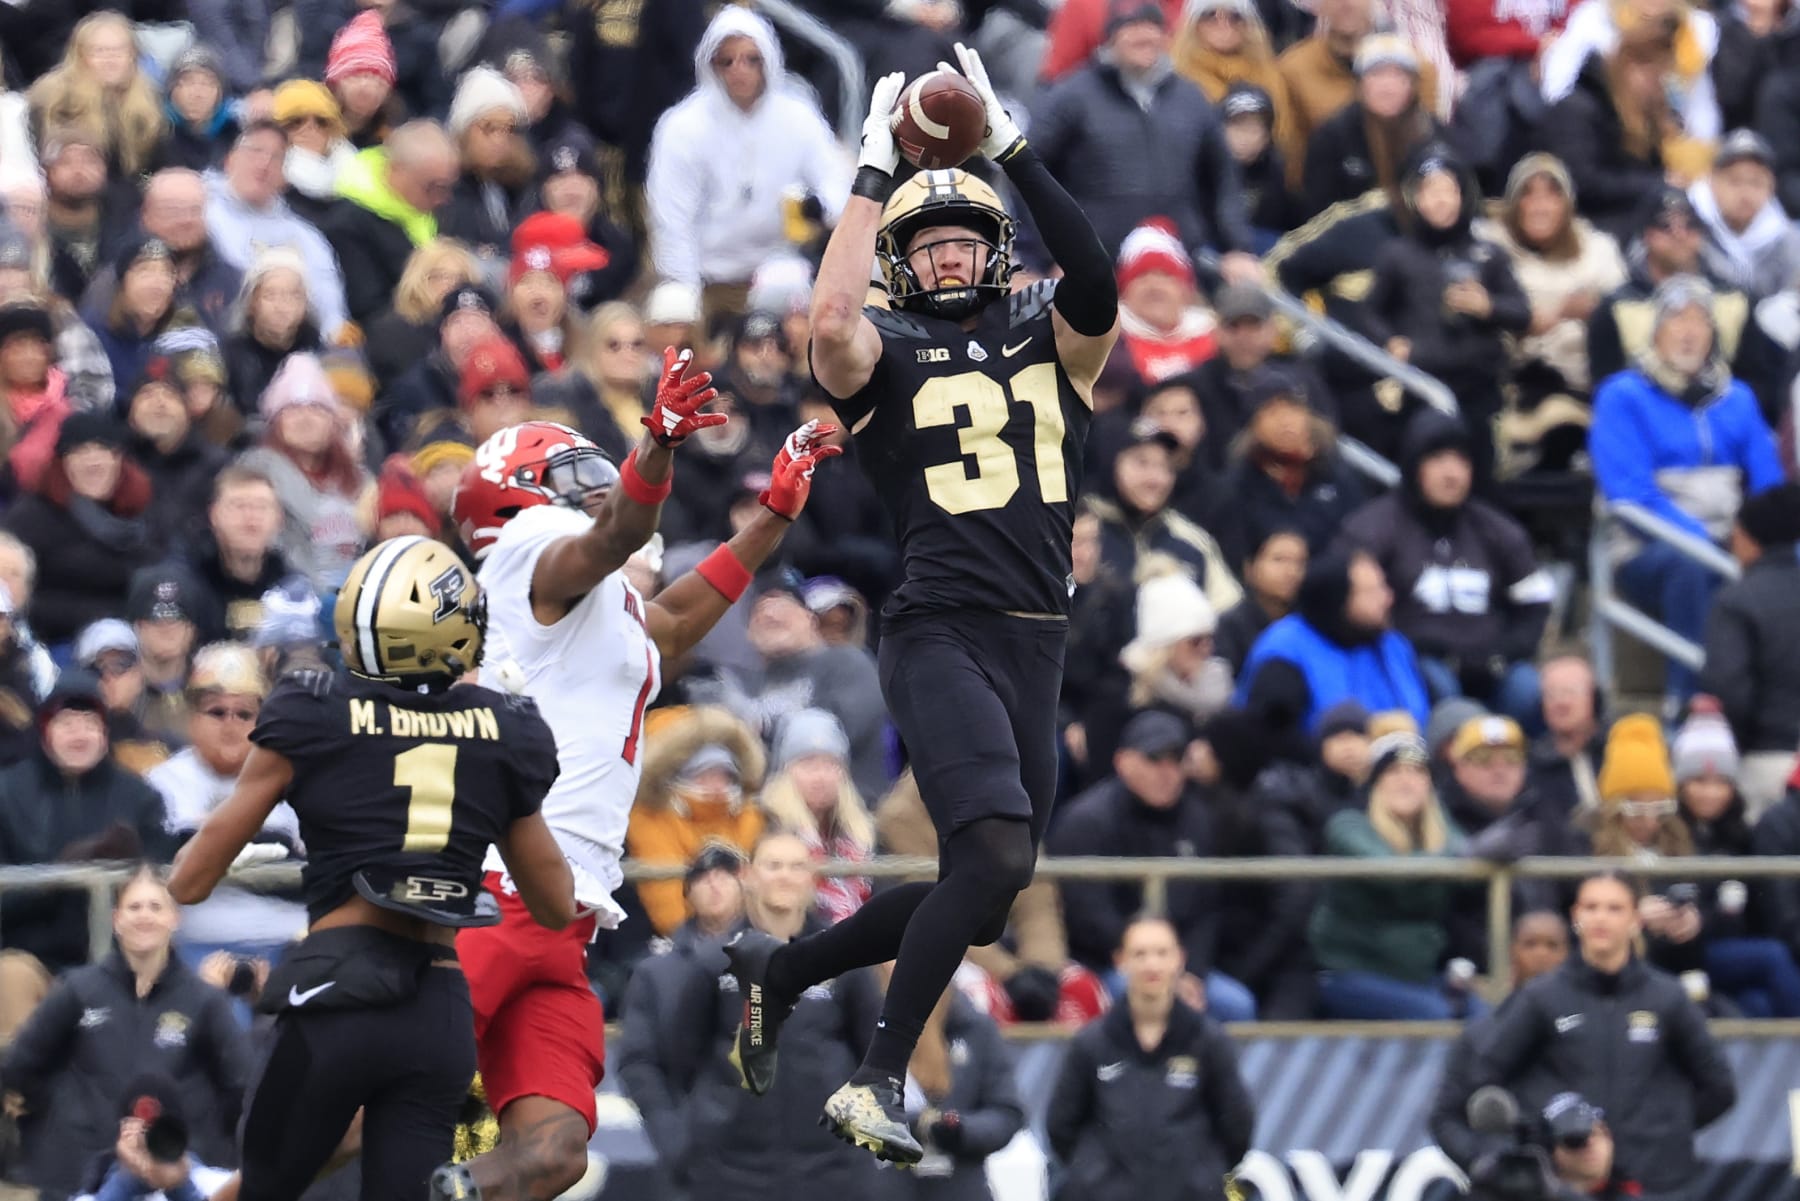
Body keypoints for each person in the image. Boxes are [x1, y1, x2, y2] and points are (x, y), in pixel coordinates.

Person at [723, 47, 1122, 1164]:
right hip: (940, 623)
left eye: (964, 237)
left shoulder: (1056, 339)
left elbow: (1097, 282)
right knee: (990, 854)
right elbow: (831, 318)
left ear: (997, 248)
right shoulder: (886, 348)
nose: (948, 255)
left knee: (986, 890)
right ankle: (877, 1076)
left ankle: (786, 966)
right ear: (905, 259)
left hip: (1037, 637)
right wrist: (870, 170)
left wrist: (1010, 148)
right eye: (928, 242)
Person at [444, 394, 839, 1199]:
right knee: (376, 1099)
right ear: (516, 497)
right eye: (572, 473)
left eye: (601, 471)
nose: (595, 486)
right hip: (494, 890)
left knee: (553, 1154)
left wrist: (770, 516)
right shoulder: (528, 553)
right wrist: (655, 446)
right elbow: (620, 530)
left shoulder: (594, 611)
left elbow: (680, 615)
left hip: (560, 911)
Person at [167, 536, 578, 1201]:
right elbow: (557, 902)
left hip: (336, 997)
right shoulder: (507, 728)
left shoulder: (315, 710)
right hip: (439, 1009)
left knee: (261, 1188)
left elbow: (188, 881)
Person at [616, 832, 889, 1201]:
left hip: (832, 1171)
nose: (785, 877)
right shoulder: (714, 962)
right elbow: (682, 1059)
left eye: (797, 867)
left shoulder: (844, 960)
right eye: (773, 865)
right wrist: (683, 1139)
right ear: (749, 875)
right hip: (730, 1173)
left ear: (813, 877)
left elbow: (875, 1054)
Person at [1471, 871, 1737, 1197]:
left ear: (1636, 918)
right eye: (1591, 907)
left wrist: (1665, 1131)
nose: (1601, 918)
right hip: (1571, 1185)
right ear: (1575, 916)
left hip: (1657, 1183)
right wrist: (1550, 1129)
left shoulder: (1667, 997)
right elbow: (1487, 1077)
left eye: (1614, 908)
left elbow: (1720, 1087)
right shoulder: (1543, 997)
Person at [1590, 274, 1783, 707]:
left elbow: (1768, 482)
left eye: (1700, 320)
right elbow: (1630, 494)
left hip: (1733, 540)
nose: (1689, 331)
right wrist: (1707, 545)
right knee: (1689, 568)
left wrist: (1761, 538)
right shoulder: (1622, 396)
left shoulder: (1738, 398)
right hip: (1647, 546)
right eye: (1677, 319)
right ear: (1656, 330)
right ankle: (1690, 704)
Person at [0, 866, 251, 1199]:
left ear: (174, 918)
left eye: (155, 907)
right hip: (82, 1181)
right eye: (134, 907)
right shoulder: (77, 990)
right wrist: (58, 1121)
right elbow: (19, 1066)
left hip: (180, 1175)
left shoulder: (205, 1000)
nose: (144, 916)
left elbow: (243, 1086)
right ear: (116, 919)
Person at [1336, 409, 1554, 725]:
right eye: (1437, 460)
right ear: (1414, 466)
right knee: (1443, 691)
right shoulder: (1373, 528)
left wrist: (1502, 654)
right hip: (1415, 664)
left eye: (1461, 461)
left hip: (1491, 663)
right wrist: (1411, 644)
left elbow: (1535, 603)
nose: (1451, 473)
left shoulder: (1496, 529)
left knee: (1529, 688)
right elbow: (1345, 602)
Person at [1049, 709, 1259, 1022]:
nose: (1167, 772)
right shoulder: (1087, 822)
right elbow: (1089, 918)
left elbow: (1206, 910)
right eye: (1154, 759)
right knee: (1128, 994)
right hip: (1107, 963)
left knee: (1237, 1005)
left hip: (1178, 965)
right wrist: (1156, 968)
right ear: (1123, 761)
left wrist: (1191, 972)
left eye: (1176, 760)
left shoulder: (1198, 819)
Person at [644, 6, 850, 314]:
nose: (740, 69)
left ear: (768, 60)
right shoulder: (682, 127)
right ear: (711, 64)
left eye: (751, 59)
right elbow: (672, 220)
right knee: (676, 311)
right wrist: (686, 291)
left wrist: (819, 205)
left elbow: (837, 182)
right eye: (727, 61)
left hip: (780, 270)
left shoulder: (797, 116)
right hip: (709, 279)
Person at [1031, 3, 1259, 270]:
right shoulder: (1072, 95)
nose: (1144, 36)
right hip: (1093, 267)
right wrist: (1052, 254)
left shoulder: (1191, 98)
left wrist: (1237, 247)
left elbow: (1223, 176)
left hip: (1179, 264)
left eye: (1152, 27)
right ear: (1111, 36)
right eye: (1132, 27)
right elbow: (1029, 170)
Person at [1046, 915, 1256, 1201]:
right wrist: (1094, 1178)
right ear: (1120, 961)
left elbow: (1236, 1126)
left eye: (1161, 953)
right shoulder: (1091, 1043)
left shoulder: (1208, 1041)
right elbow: (1061, 1126)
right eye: (1140, 954)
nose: (1151, 964)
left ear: (1179, 959)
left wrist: (1200, 1178)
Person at [149, 644, 303, 969]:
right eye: (217, 712)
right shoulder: (159, 785)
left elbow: (311, 868)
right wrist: (267, 843)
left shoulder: (296, 779)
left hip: (288, 942)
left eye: (245, 714)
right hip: (192, 949)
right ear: (192, 718)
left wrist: (206, 844)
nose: (231, 724)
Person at [1473, 153, 1627, 475]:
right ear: (1513, 203)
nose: (1540, 206)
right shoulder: (1488, 247)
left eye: (1551, 194)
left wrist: (1593, 315)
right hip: (1511, 379)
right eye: (1529, 194)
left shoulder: (1598, 250)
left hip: (1583, 381)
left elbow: (1621, 315)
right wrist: (1542, 319)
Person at [1309, 731, 1472, 1019]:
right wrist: (1466, 855)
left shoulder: (1440, 833)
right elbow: (1390, 870)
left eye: (1417, 771)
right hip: (1350, 974)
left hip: (1417, 975)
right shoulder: (1348, 826)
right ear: (1375, 783)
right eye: (1394, 771)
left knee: (1487, 1017)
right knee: (1435, 1016)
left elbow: (1467, 858)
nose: (1406, 780)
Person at [1234, 549, 1431, 763]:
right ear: (1339, 599)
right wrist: (1325, 753)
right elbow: (1269, 733)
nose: (1388, 598)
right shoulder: (1287, 648)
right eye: (1372, 591)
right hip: (1315, 781)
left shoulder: (1393, 646)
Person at [1428, 910, 1572, 1172]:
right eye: (1530, 944)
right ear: (1512, 953)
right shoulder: (1479, 1035)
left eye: (1552, 945)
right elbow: (1444, 1117)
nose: (1541, 955)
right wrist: (1484, 1161)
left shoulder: (1587, 1029)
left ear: (1569, 955)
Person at [1700, 482, 1800, 817]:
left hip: (1768, 763)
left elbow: (1729, 689)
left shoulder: (1738, 600)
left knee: (1767, 867)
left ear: (1748, 538)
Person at [323, 120, 460, 324]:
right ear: (395, 171)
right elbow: (369, 307)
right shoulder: (349, 223)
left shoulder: (437, 209)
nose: (445, 198)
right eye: (435, 187)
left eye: (449, 186)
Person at [760, 708, 875, 924]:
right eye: (808, 764)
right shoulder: (767, 826)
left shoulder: (864, 831)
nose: (820, 777)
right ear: (786, 771)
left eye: (830, 765)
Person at [1689, 128, 1800, 301]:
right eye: (1735, 181)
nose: (1746, 194)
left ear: (1771, 187)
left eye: (1756, 183)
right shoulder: (1685, 227)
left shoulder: (1787, 239)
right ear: (1712, 181)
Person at [1215, 527, 1306, 673]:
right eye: (1279, 560)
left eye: (1300, 562)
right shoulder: (1230, 626)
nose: (1291, 571)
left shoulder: (1308, 624)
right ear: (1250, 568)